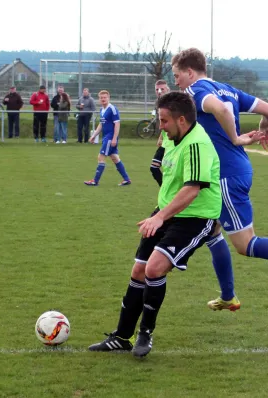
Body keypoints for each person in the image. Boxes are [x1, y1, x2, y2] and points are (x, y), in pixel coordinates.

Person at [171, 48, 268, 311]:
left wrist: (234, 137)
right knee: (212, 231)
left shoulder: (196, 92)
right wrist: (265, 128)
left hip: (225, 176)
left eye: (177, 75)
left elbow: (220, 109)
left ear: (190, 72)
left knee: (246, 244)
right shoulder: (229, 89)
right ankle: (228, 296)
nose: (176, 82)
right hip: (235, 170)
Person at [88, 91, 222, 357]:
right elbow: (161, 171)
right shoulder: (175, 137)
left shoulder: (197, 144)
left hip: (196, 217)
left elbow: (192, 189)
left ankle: (145, 334)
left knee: (154, 268)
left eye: (163, 120)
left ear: (181, 120)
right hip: (167, 212)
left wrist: (160, 216)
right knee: (138, 271)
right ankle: (121, 337)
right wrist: (160, 211)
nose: (160, 126)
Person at [84, 90, 131, 186]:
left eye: (105, 97)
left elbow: (117, 124)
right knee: (115, 158)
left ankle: (95, 181)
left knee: (101, 157)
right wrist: (93, 136)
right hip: (106, 137)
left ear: (108, 98)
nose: (103, 99)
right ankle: (126, 179)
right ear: (99, 99)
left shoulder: (112, 109)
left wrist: (114, 138)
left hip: (110, 137)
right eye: (101, 98)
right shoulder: (102, 110)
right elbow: (101, 124)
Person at [150, 79, 171, 186]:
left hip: (174, 142)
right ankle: (166, 190)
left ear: (167, 89)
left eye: (162, 89)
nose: (159, 91)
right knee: (154, 168)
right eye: (157, 89)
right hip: (165, 140)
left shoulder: (173, 102)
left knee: (172, 170)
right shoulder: (158, 103)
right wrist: (161, 137)